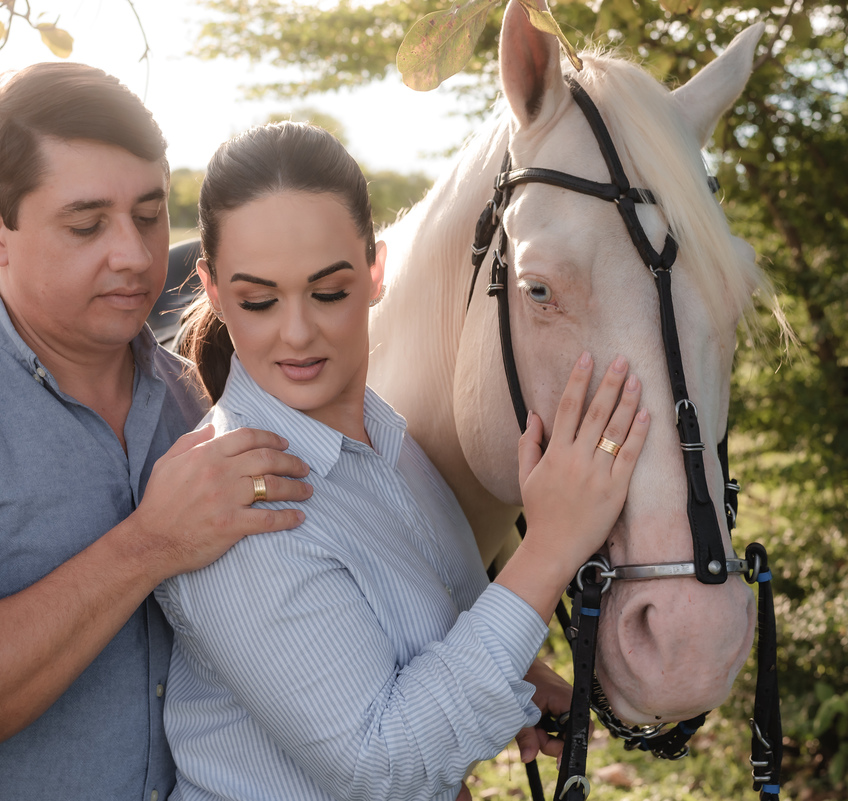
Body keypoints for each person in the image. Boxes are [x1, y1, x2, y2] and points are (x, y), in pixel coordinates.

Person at [0, 63, 312, 801]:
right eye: (86, 224)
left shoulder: (204, 402)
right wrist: (150, 543)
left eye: (150, 214)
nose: (134, 254)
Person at [156, 122, 651, 801]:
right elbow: (381, 769)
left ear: (375, 272)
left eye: (329, 291)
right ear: (212, 290)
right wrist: (551, 547)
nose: (296, 332)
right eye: (259, 300)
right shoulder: (239, 504)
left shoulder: (391, 443)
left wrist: (516, 676)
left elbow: (409, 639)